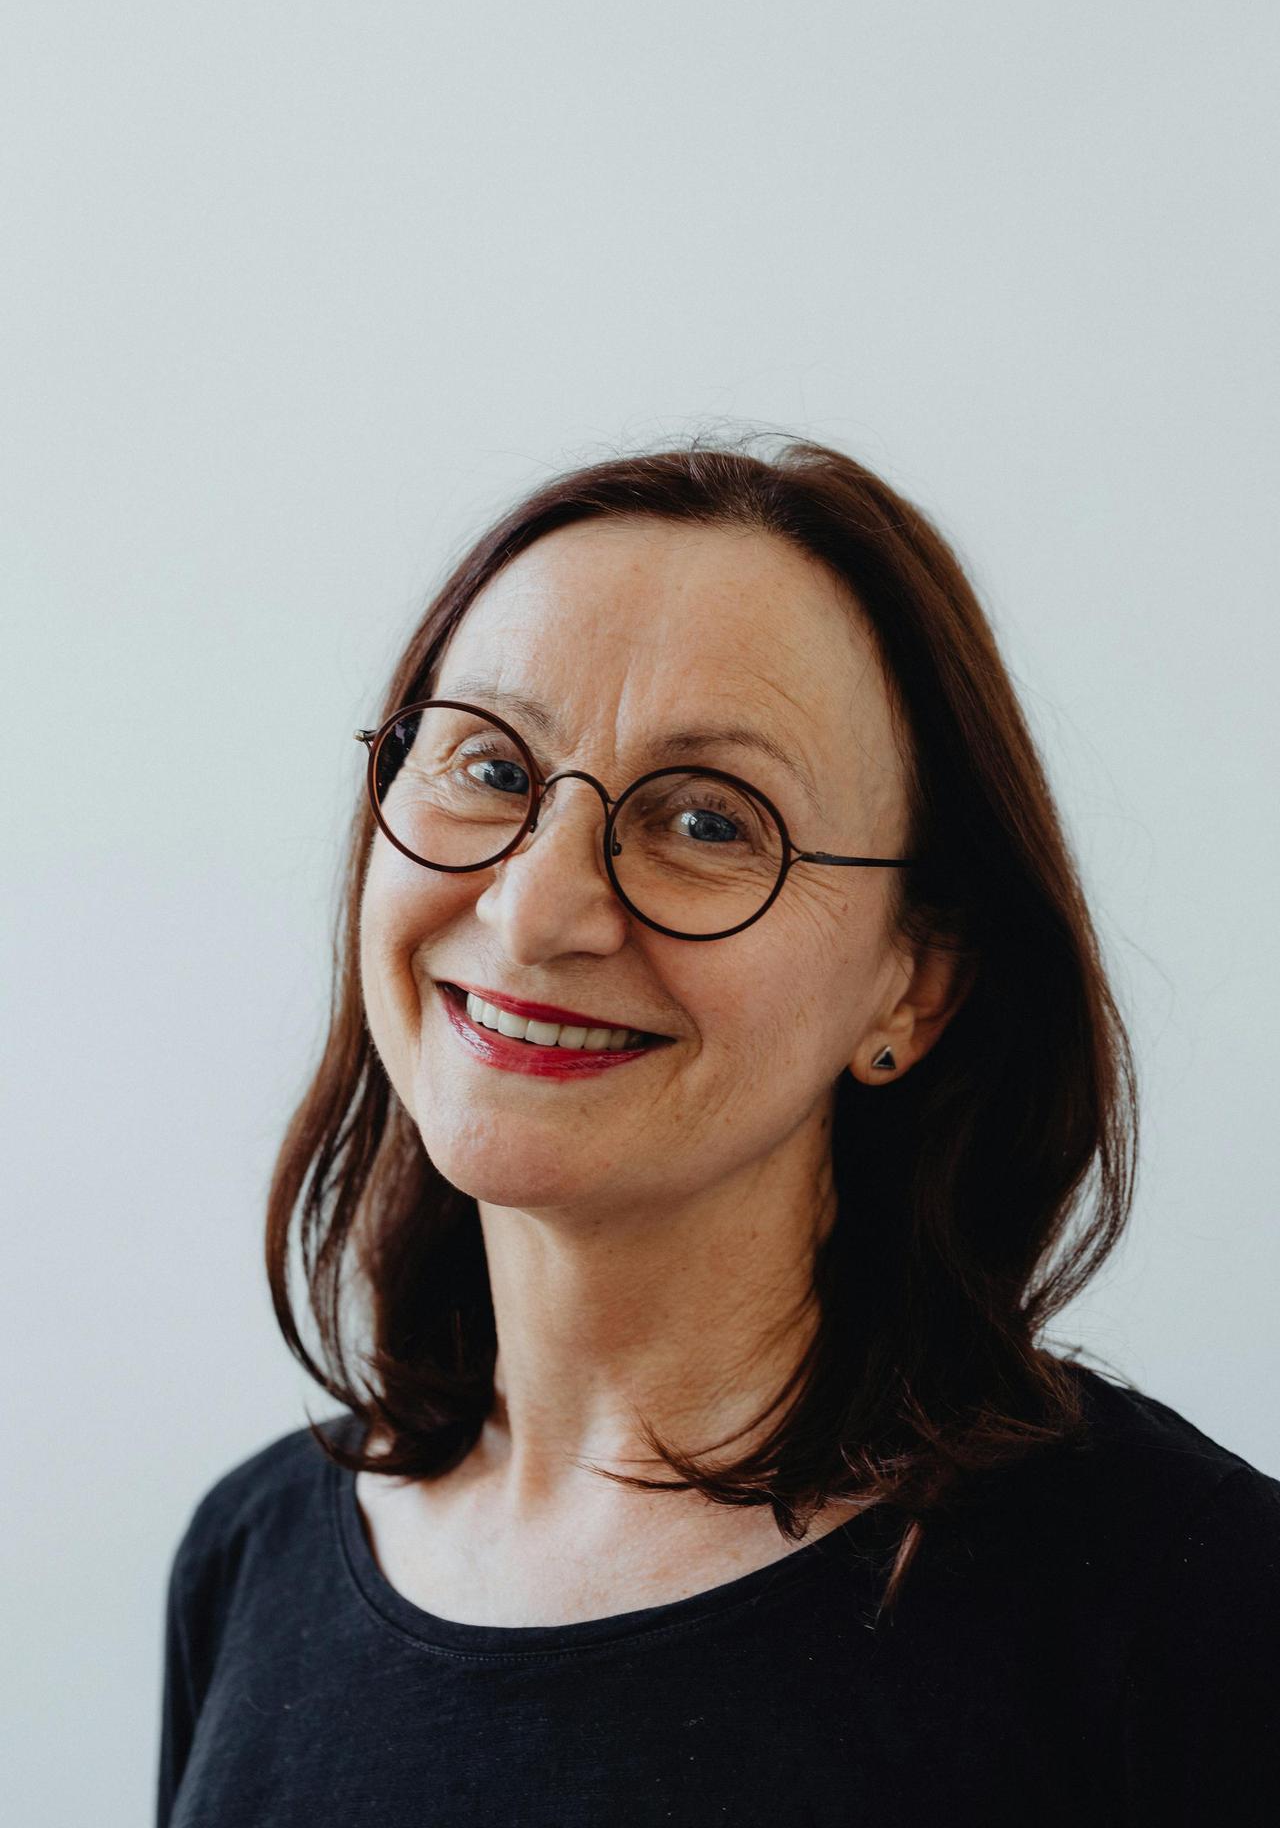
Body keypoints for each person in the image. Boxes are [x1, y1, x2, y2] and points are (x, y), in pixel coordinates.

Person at [156, 436, 1280, 1826]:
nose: (536, 911)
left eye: (706, 821)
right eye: (490, 770)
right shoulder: (246, 1563)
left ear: (913, 986)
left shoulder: (1175, 1600)